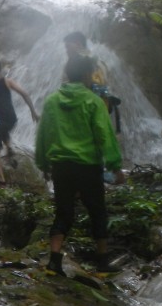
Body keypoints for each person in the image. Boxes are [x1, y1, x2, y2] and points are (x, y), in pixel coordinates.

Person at [35, 55, 124, 274]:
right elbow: (104, 135)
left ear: (67, 74)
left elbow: (43, 134)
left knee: (63, 212)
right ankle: (102, 260)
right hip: (88, 165)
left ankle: (54, 260)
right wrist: (114, 165)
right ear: (87, 75)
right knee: (97, 211)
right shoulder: (93, 101)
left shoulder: (52, 101)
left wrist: (43, 162)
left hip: (61, 165)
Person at [0, 58, 39, 187]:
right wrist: (33, 111)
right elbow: (25, 94)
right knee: (3, 128)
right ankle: (9, 147)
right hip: (11, 119)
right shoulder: (7, 81)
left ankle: (1, 181)